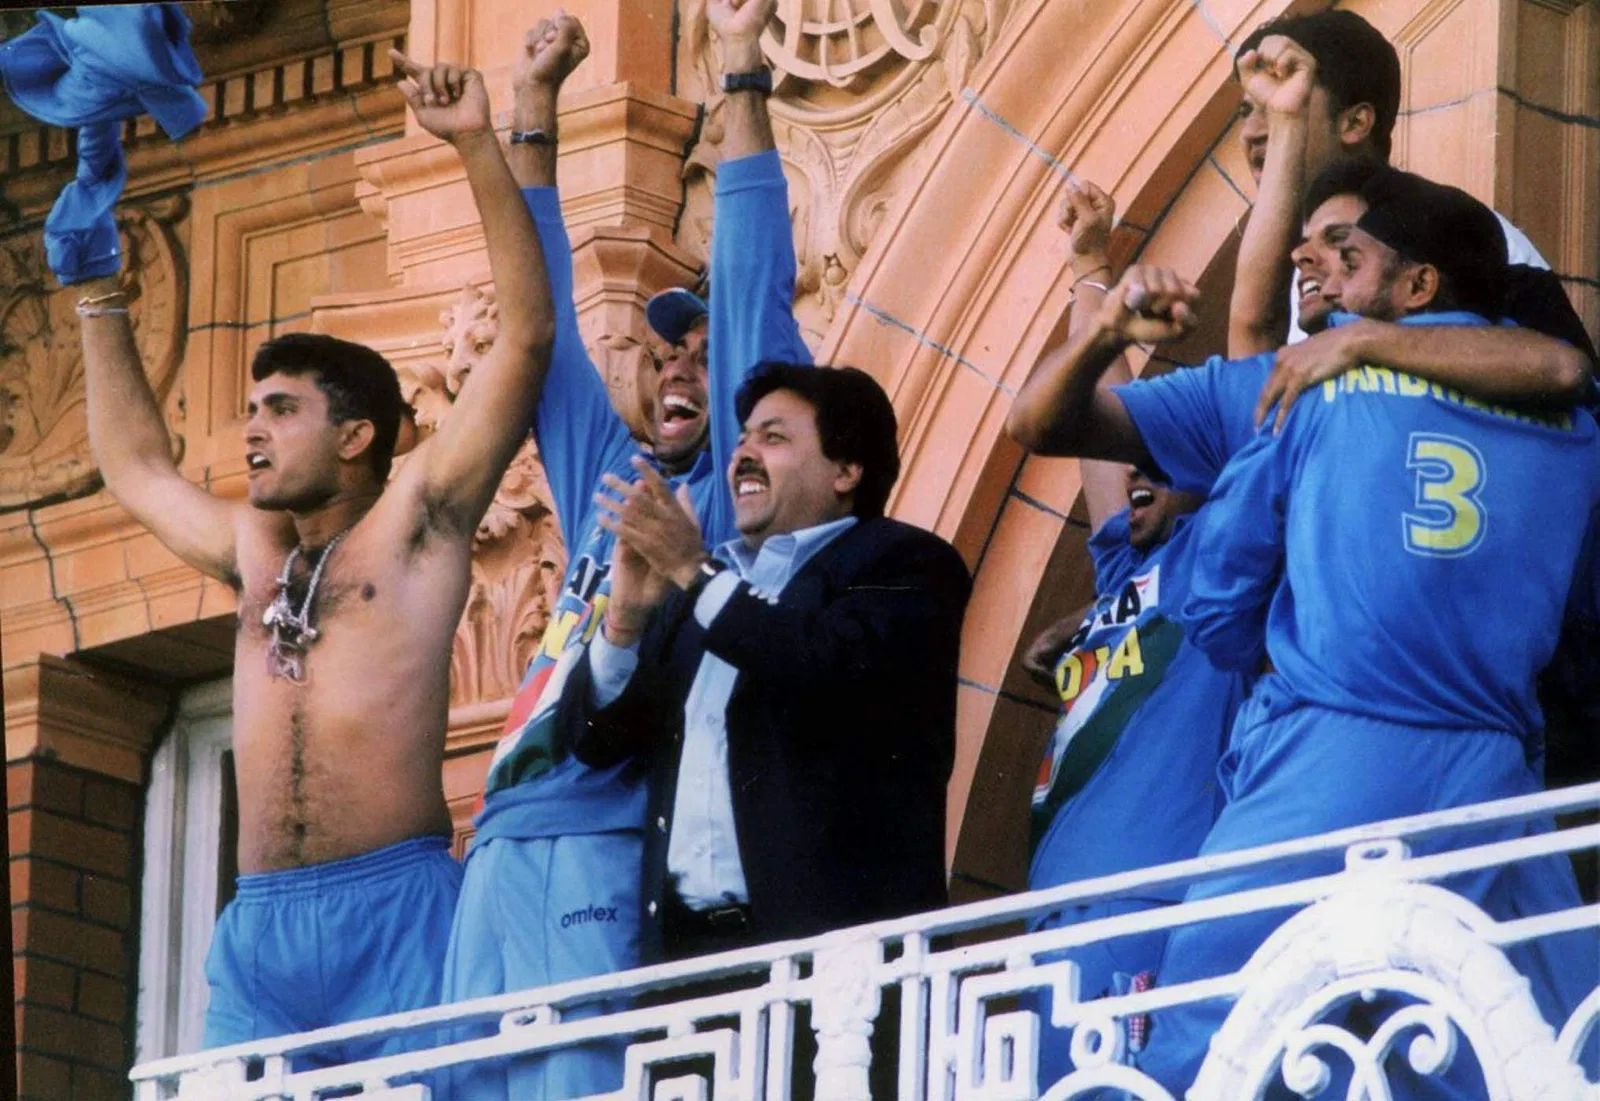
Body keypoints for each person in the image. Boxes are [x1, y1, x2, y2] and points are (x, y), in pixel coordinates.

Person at [75, 52, 552, 1063]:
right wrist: (94, 296)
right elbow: (134, 467)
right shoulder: (254, 550)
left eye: (280, 411)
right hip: (259, 930)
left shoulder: (417, 519)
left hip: (396, 904)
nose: (252, 432)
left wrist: (474, 142)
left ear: (357, 437)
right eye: (250, 411)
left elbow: (522, 341)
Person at [1156, 166, 1598, 1092]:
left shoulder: (1322, 385)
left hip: (1331, 747)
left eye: (1351, 259)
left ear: (1417, 285)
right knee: (1544, 1050)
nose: (1328, 279)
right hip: (1494, 769)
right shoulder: (1572, 422)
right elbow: (1565, 371)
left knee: (1211, 1035)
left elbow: (1208, 599)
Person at [440, 2, 811, 1097]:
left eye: (701, 351)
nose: (679, 370)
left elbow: (752, 284)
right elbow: (537, 324)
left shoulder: (737, 503)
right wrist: (531, 115)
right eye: (661, 354)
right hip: (497, 843)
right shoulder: (616, 481)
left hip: (600, 843)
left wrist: (741, 73)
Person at [565, 362, 968, 954]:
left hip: (838, 969)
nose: (743, 455)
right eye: (744, 437)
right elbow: (597, 741)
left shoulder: (906, 563)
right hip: (687, 965)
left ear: (847, 470)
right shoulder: (704, 592)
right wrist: (625, 619)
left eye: (773, 437)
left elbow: (824, 660)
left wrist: (692, 570)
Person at [1007, 180, 1250, 1088]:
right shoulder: (1125, 571)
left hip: (1149, 904)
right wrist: (1089, 269)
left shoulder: (1217, 559)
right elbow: (1098, 431)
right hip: (1057, 918)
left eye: (1164, 465)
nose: (1138, 477)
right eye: (1134, 468)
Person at [1224, 9, 1593, 418]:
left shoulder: (1471, 232)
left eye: (1278, 103)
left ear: (1356, 122)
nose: (1252, 131)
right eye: (1247, 110)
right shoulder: (1293, 270)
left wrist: (1365, 342)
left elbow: (1571, 378)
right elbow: (1248, 387)